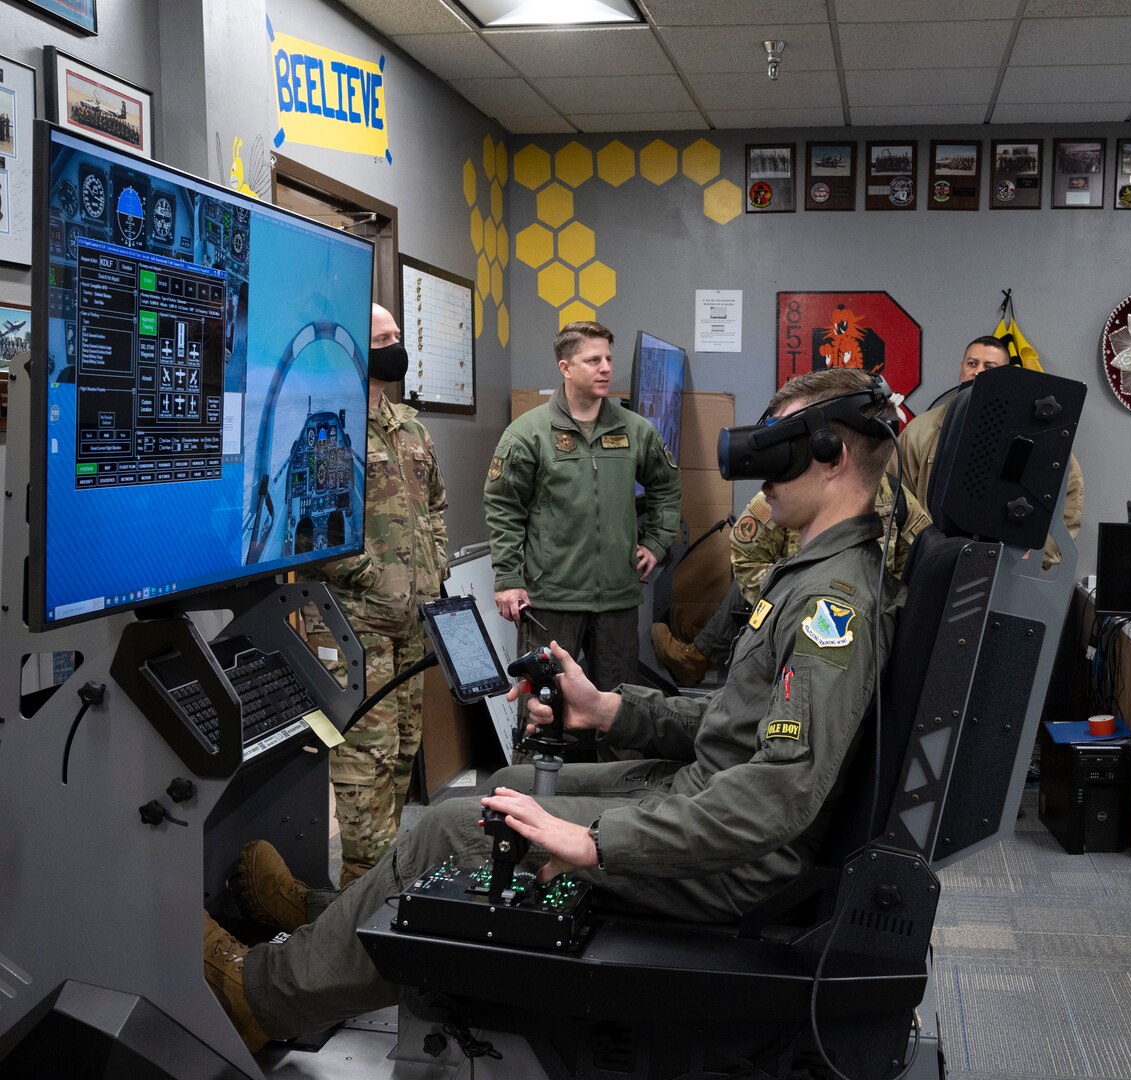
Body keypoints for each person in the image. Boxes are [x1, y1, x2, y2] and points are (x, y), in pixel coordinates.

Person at [205, 368, 904, 1049]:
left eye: (776, 451)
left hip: (731, 858)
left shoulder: (829, 603)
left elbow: (780, 791)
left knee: (457, 826)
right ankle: (326, 924)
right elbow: (739, 723)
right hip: (707, 799)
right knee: (503, 788)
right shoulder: (812, 575)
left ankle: (264, 997)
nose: (760, 476)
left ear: (832, 455)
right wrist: (608, 711)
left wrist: (599, 843)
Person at [301, 303, 448, 886]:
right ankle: (363, 890)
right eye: (382, 338)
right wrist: (381, 580)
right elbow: (316, 529)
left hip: (412, 623)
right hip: (352, 626)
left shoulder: (409, 426)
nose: (395, 347)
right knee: (366, 761)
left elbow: (435, 507)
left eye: (396, 336)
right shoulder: (324, 426)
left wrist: (431, 574)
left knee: (405, 750)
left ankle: (389, 883)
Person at [485, 320, 681, 709]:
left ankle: (621, 772)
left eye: (608, 358)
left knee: (621, 708)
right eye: (593, 360)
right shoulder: (529, 434)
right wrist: (508, 579)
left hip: (618, 599)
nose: (606, 367)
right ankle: (535, 774)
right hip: (551, 599)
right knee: (545, 707)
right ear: (565, 367)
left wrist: (657, 541)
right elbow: (503, 507)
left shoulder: (635, 431)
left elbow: (667, 485)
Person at [652, 474, 929, 686]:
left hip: (860, 635)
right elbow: (747, 556)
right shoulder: (797, 487)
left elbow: (916, 570)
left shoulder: (895, 496)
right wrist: (791, 606)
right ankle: (701, 651)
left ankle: (700, 652)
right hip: (800, 626)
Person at [897, 336, 1084, 567]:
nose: (977, 372)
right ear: (962, 367)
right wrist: (922, 550)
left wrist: (1036, 555)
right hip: (932, 563)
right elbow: (897, 498)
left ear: (1006, 375)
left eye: (989, 367)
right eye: (972, 364)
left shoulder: (1035, 435)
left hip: (1004, 566)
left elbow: (1069, 494)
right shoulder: (920, 431)